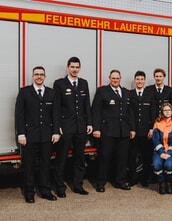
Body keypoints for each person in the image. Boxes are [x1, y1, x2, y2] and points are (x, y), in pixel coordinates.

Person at [15, 66, 61, 203]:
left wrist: (56, 132)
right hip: (29, 136)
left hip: (47, 136)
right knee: (29, 165)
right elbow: (19, 115)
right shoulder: (24, 92)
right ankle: (29, 192)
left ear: (45, 77)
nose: (39, 77)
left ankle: (45, 191)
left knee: (46, 165)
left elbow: (56, 114)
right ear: (33, 76)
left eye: (41, 74)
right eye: (36, 74)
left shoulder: (51, 93)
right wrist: (21, 134)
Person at [53, 57, 92, 197]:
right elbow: (56, 107)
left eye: (77, 67)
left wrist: (89, 123)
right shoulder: (59, 84)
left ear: (79, 68)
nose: (75, 69)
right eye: (72, 67)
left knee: (79, 158)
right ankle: (60, 187)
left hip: (81, 127)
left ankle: (78, 185)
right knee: (62, 158)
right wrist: (57, 126)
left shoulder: (83, 83)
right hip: (66, 127)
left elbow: (86, 104)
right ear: (67, 68)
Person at [92, 70, 136, 192]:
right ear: (109, 78)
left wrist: (132, 128)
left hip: (124, 131)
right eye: (113, 78)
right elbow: (96, 110)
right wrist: (96, 128)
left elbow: (130, 112)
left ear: (120, 78)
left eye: (117, 78)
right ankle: (100, 182)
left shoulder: (126, 92)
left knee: (122, 158)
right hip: (107, 131)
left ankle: (120, 181)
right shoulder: (102, 91)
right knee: (105, 157)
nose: (115, 80)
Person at [128, 71, 157, 187]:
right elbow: (128, 113)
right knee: (132, 156)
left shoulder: (150, 95)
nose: (139, 81)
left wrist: (151, 129)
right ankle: (133, 178)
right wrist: (131, 128)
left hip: (146, 132)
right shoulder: (130, 94)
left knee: (146, 155)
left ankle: (144, 178)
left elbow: (153, 113)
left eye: (142, 79)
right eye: (137, 79)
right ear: (135, 81)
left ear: (144, 81)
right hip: (133, 131)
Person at [151, 103, 172, 194]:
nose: (167, 112)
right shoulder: (157, 123)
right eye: (165, 110)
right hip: (159, 151)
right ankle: (161, 182)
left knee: (169, 166)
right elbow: (155, 139)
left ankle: (168, 182)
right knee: (156, 165)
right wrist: (161, 153)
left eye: (169, 110)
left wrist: (169, 153)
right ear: (162, 112)